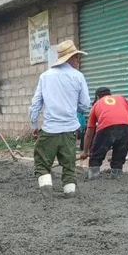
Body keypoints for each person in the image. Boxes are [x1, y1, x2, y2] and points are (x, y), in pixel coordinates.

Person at [29, 39, 90, 198]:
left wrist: (34, 125)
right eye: (76, 57)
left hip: (50, 130)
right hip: (70, 131)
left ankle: (47, 194)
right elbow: (85, 104)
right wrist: (72, 107)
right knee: (69, 165)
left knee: (42, 163)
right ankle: (70, 194)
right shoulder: (78, 76)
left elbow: (35, 104)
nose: (78, 60)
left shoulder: (45, 76)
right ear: (70, 58)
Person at [80, 87, 128, 179]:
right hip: (126, 126)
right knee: (120, 153)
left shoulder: (96, 105)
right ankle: (117, 174)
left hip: (106, 127)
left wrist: (85, 151)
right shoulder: (121, 98)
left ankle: (93, 176)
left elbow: (89, 132)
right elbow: (127, 115)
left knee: (96, 153)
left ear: (97, 97)